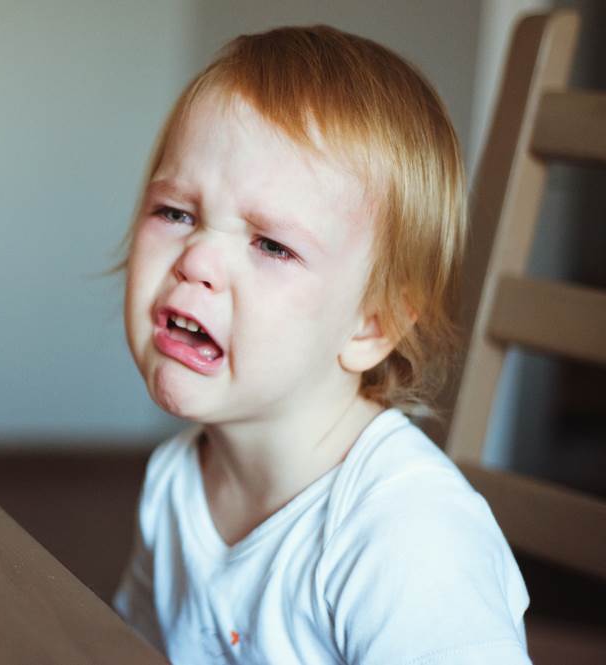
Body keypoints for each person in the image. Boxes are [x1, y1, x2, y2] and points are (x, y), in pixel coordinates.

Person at [113, 24, 531, 665]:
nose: (196, 259)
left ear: (370, 327)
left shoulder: (406, 537)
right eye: (176, 213)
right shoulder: (176, 481)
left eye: (272, 245)